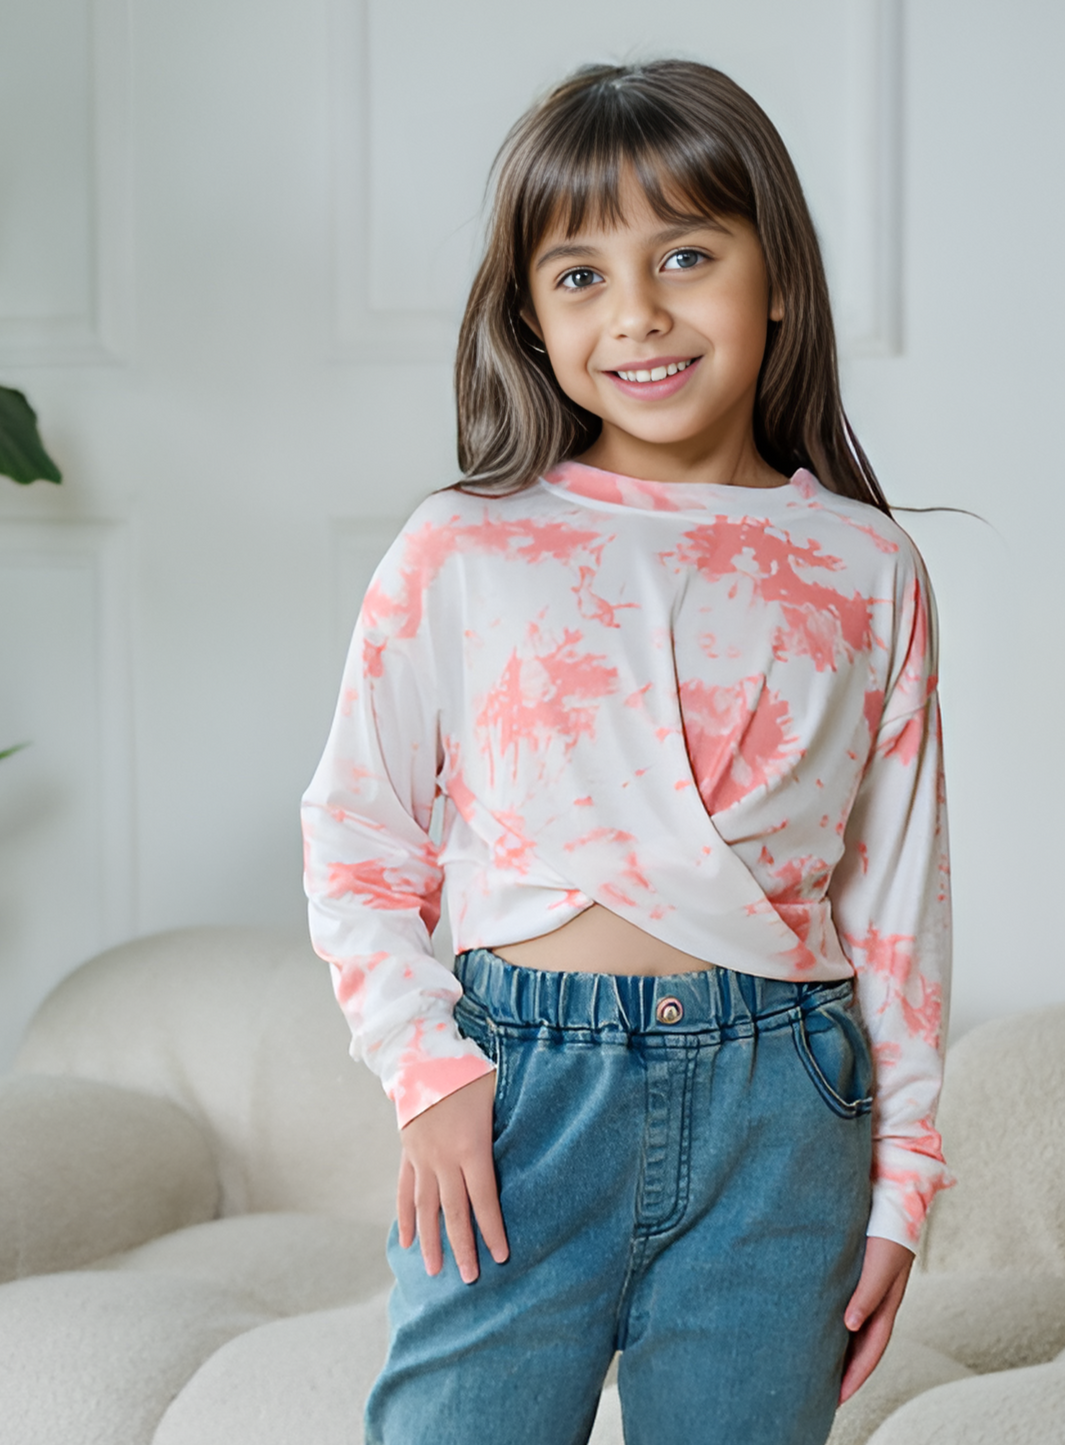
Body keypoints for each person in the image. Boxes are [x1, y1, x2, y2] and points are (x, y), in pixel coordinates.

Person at [301, 58, 951, 1445]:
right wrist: (430, 1075)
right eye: (581, 274)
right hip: (522, 1094)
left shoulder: (865, 567)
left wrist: (905, 1183)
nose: (640, 312)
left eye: (688, 254)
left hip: (786, 1116)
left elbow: (898, 906)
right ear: (530, 318)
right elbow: (357, 835)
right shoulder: (466, 546)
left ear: (777, 278)